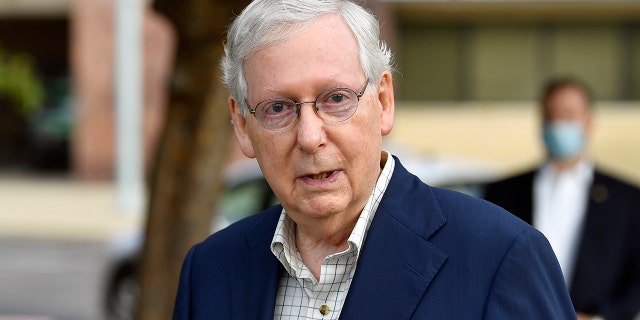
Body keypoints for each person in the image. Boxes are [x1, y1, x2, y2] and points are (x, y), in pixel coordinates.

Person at [173, 1, 576, 319]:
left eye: (335, 99)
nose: (310, 137)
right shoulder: (209, 270)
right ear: (243, 126)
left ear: (383, 102)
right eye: (278, 108)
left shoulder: (501, 258)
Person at [484, 77, 640, 320]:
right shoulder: (503, 192)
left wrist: (599, 317)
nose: (558, 124)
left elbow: (635, 278)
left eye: (568, 115)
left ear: (588, 121)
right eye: (551, 115)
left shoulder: (626, 199)